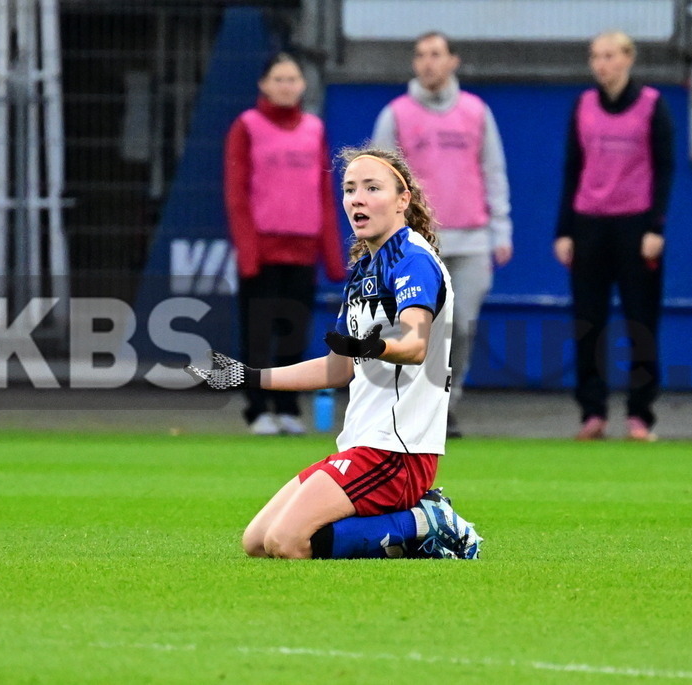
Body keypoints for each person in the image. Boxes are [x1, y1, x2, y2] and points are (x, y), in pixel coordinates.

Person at [188, 147, 481, 560]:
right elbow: (336, 368)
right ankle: (408, 532)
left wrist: (371, 346)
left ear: (403, 200)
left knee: (287, 543)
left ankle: (424, 522)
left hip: (398, 450)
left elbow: (415, 347)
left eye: (371, 188)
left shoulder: (413, 260)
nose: (356, 198)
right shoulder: (365, 269)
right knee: (257, 541)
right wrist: (246, 375)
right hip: (363, 444)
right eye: (349, 189)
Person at [371, 31, 512, 439]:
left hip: (471, 239)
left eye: (436, 54)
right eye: (420, 55)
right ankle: (407, 409)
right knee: (413, 330)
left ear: (453, 61)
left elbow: (493, 172)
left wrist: (500, 228)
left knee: (461, 327)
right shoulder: (395, 114)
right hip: (416, 243)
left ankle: (444, 407)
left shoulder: (476, 112)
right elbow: (378, 179)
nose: (428, 62)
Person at [553, 31, 674, 441]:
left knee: (641, 320)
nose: (601, 64)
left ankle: (640, 413)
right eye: (595, 56)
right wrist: (564, 230)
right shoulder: (582, 106)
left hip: (636, 226)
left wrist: (656, 227)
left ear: (628, 59)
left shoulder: (652, 106)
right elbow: (572, 169)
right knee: (589, 321)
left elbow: (665, 169)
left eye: (609, 56)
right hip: (589, 224)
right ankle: (593, 412)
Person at [223, 52, 346, 436]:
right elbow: (236, 193)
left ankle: (289, 408)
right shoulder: (247, 126)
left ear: (303, 85)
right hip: (262, 249)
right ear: (263, 84)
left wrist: (334, 257)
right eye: (278, 79)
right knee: (257, 335)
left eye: (293, 79)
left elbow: (324, 194)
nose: (286, 86)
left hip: (303, 249)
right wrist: (247, 251)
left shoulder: (313, 128)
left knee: (293, 334)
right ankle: (257, 410)